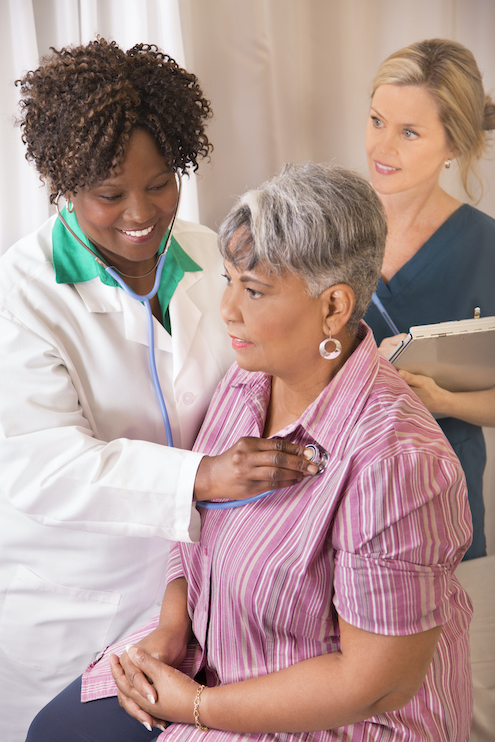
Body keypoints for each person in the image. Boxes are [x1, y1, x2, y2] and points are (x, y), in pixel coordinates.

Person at [28, 163, 473, 742]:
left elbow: (371, 684)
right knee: (51, 731)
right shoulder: (249, 384)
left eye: (254, 290)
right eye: (229, 280)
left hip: (341, 720)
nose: (228, 310)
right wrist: (172, 625)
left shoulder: (397, 463)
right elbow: (195, 526)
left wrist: (198, 708)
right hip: (217, 665)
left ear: (334, 308)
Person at [0, 40, 315, 741]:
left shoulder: (212, 255)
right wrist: (202, 476)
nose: (141, 213)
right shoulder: (18, 294)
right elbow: (40, 463)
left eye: (161, 182)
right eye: (110, 194)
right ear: (63, 181)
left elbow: (264, 379)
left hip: (204, 596)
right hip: (78, 601)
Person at [363, 38, 495, 560]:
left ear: (454, 145)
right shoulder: (325, 229)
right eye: (376, 121)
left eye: (409, 132)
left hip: (445, 495)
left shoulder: (486, 247)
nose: (381, 147)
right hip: (338, 488)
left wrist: (443, 403)